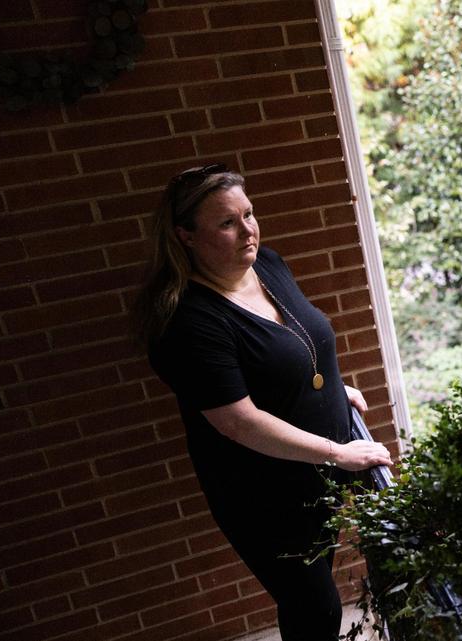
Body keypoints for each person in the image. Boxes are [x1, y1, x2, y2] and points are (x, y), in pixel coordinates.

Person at [133, 164, 393, 640]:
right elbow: (239, 421)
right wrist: (339, 452)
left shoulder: (267, 265)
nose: (247, 229)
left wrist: (334, 387)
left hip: (315, 473)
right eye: (227, 223)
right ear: (186, 236)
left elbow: (299, 341)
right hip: (263, 493)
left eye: (248, 214)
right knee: (315, 606)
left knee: (310, 600)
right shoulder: (187, 321)